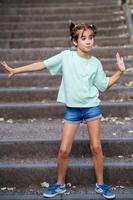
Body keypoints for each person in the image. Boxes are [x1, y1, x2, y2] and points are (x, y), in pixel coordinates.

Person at [0, 22, 125, 199]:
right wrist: (16, 70)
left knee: (96, 147)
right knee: (64, 150)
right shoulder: (66, 57)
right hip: (72, 110)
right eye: (84, 38)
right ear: (75, 42)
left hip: (91, 108)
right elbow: (42, 64)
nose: (88, 41)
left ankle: (101, 184)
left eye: (91, 38)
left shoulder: (95, 63)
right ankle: (59, 185)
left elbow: (104, 86)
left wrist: (119, 72)